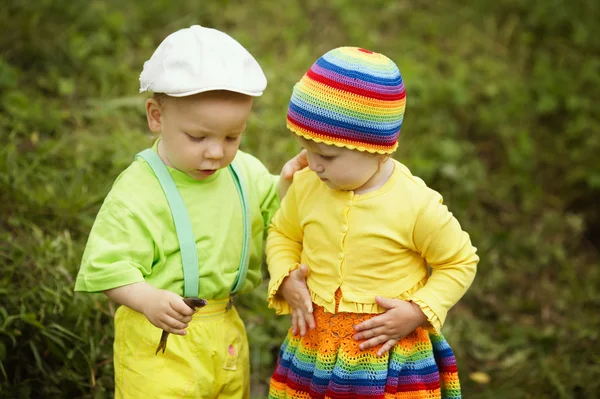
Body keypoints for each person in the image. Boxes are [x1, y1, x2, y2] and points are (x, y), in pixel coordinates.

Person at [74, 25, 306, 399]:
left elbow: (271, 210)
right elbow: (106, 266)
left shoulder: (240, 170)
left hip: (225, 330)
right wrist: (146, 298)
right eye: (198, 137)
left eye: (232, 137)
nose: (216, 152)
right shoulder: (138, 190)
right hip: (158, 338)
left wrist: (287, 184)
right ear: (156, 116)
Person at [266, 47, 479, 399]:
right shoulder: (307, 185)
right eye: (306, 148)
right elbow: (282, 234)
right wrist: (285, 275)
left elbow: (459, 261)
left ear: (376, 149)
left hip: (384, 355)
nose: (311, 163)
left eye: (326, 155)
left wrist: (415, 312)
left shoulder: (414, 204)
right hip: (315, 347)